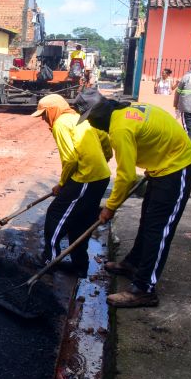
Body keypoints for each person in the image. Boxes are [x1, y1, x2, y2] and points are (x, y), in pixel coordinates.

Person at [75, 89, 191, 307]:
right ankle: (133, 263)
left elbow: (126, 177)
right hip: (162, 165)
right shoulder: (124, 110)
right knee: (148, 219)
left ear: (98, 115)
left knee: (159, 229)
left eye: (91, 120)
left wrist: (110, 207)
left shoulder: (119, 129)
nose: (93, 125)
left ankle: (144, 290)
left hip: (178, 166)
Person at [31, 94, 112, 278]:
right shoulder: (81, 118)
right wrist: (104, 160)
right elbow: (104, 139)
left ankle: (49, 259)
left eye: (44, 115)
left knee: (55, 213)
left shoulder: (61, 123)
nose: (44, 119)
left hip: (86, 178)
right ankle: (80, 267)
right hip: (101, 177)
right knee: (81, 221)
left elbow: (70, 159)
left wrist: (62, 184)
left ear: (53, 110)